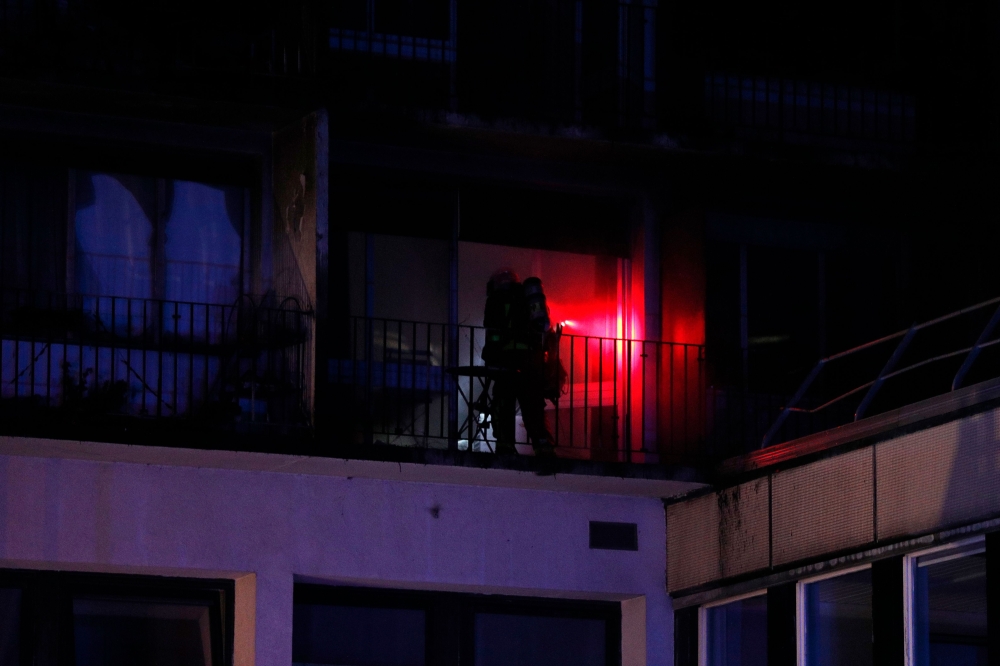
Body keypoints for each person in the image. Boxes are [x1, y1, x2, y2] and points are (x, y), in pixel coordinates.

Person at [481, 269, 559, 455]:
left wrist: (490, 359)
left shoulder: (495, 299)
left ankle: (505, 446)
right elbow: (543, 329)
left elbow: (492, 331)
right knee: (533, 405)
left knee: (504, 403)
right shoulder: (528, 297)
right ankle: (543, 446)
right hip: (530, 360)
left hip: (506, 360)